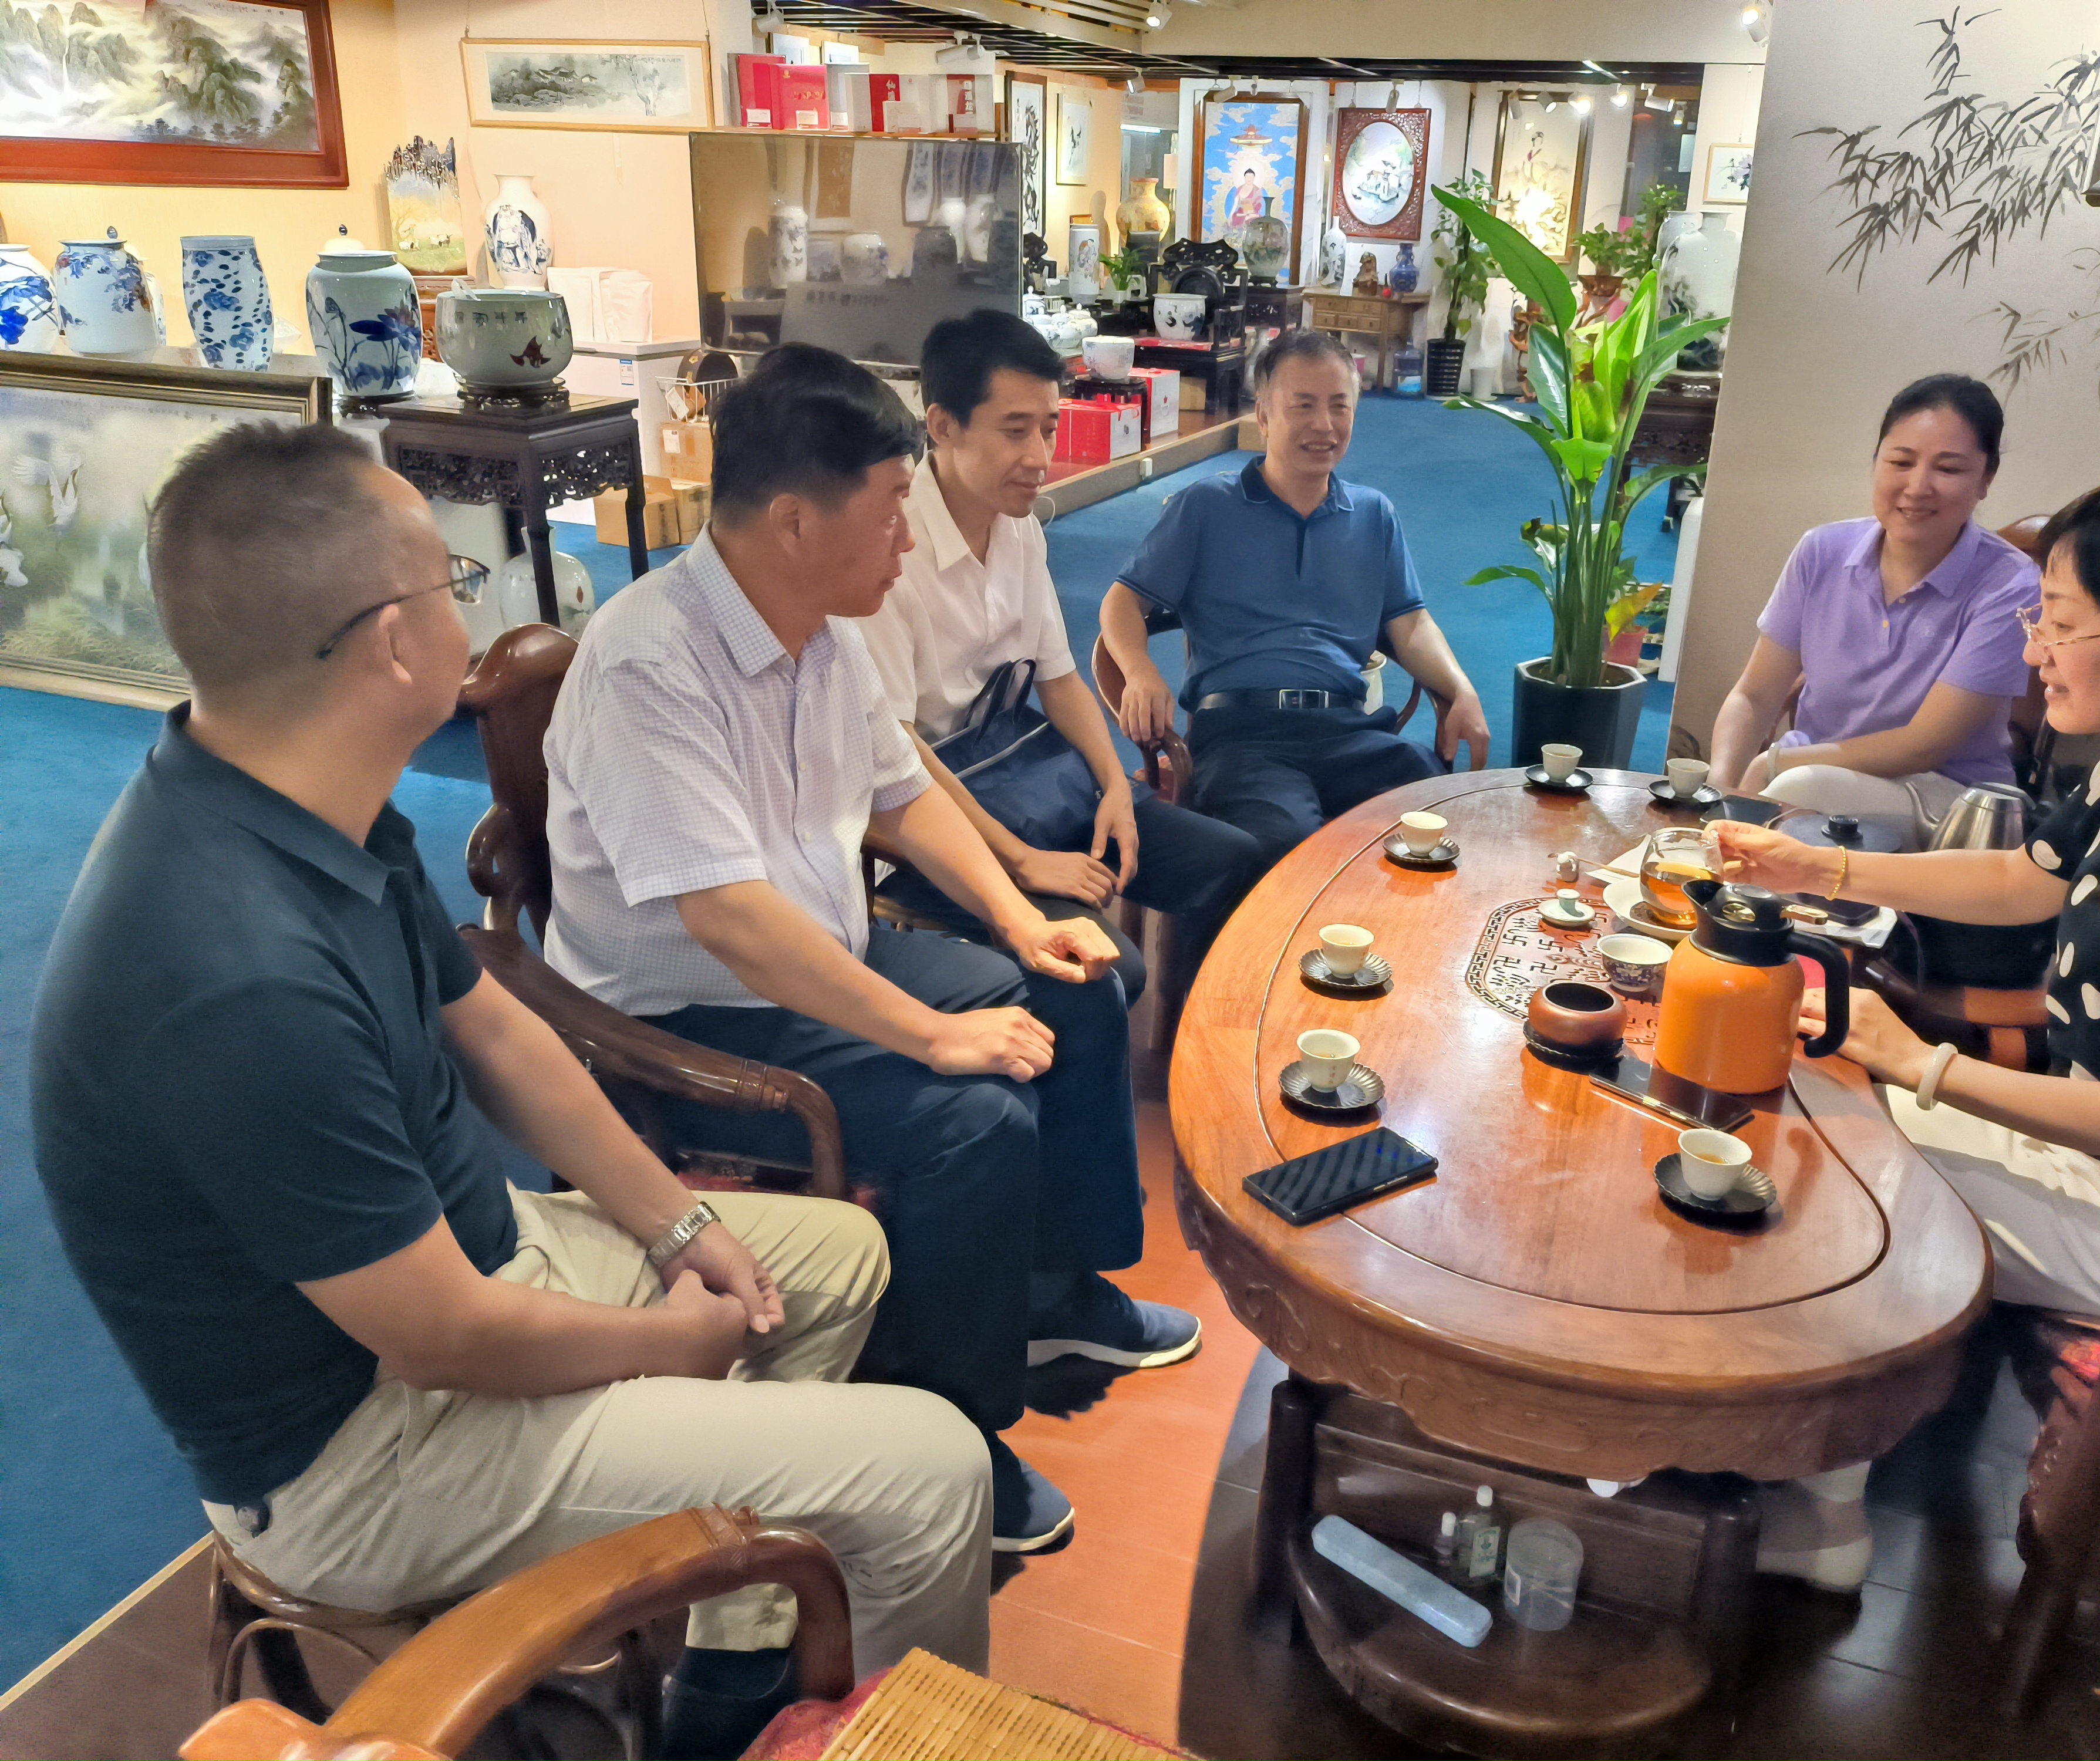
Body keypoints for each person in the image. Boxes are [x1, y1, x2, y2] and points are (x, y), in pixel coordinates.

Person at [28, 424, 990, 1761]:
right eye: (451, 583)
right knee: (933, 1468)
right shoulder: (228, 971)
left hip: (469, 1275)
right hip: (358, 1454)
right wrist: (670, 1344)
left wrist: (680, 1227)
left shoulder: (293, 790)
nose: (467, 613)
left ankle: (733, 1681)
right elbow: (443, 1339)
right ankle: (877, 1723)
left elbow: (496, 1029)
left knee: (833, 1258)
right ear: (391, 644)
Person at [541, 344, 1200, 1558]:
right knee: (973, 1119)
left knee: (1080, 982)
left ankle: (1053, 1294)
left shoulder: (824, 627)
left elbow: (903, 797)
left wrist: (1021, 918)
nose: (908, 536)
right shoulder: (646, 662)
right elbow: (731, 923)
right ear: (795, 522)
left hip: (820, 960)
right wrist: (935, 1035)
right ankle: (951, 1438)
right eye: (892, 506)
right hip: (689, 1020)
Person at [1716, 468, 2100, 1588]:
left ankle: (1818, 1518)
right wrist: (1823, 869)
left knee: (1846, 1206)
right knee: (1822, 1117)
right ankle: (1793, 1472)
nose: (2034, 650)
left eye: (2059, 623)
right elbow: (2026, 878)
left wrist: (1924, 1063)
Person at [856, 308, 1262, 998]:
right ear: (942, 425)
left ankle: (1196, 1032)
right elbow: (898, 750)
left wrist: (1115, 789)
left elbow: (1061, 679)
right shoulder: (890, 550)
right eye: (1015, 430)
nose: (1041, 457)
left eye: (1048, 428)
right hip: (937, 828)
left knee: (1237, 862)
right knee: (1105, 973)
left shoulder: (1019, 528)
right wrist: (1020, 860)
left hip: (1031, 785)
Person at [1100, 327, 1491, 863]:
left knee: (1434, 818)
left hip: (1348, 730)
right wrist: (1141, 671)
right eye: (1303, 405)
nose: (1324, 425)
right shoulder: (1207, 506)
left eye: (1339, 406)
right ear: (1263, 415)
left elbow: (1411, 624)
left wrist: (1461, 689)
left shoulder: (1374, 514)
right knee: (1286, 846)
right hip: (1242, 735)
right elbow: (1122, 602)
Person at [1706, 375, 2041, 836]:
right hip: (1806, 777)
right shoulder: (1821, 551)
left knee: (1797, 793)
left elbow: (1924, 747)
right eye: (1901, 462)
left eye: (1948, 469)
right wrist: (1720, 789)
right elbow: (1755, 696)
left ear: (1986, 479)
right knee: (1757, 814)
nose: (1918, 486)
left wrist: (1775, 762)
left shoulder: (2010, 583)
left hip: (1943, 801)